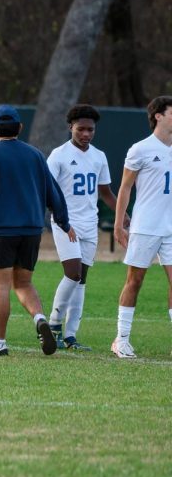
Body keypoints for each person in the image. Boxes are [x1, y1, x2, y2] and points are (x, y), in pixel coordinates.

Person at [0, 105, 71, 356]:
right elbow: (53, 191)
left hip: (1, 229)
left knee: (1, 287)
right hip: (31, 229)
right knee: (24, 282)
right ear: (20, 127)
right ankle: (40, 317)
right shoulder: (36, 156)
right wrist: (64, 221)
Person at [45, 105, 119, 350]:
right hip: (66, 223)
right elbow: (47, 189)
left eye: (90, 129)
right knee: (73, 273)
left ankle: (71, 336)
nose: (86, 134)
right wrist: (59, 217)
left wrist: (123, 215)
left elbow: (105, 192)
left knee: (82, 279)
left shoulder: (99, 156)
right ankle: (54, 324)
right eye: (81, 129)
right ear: (71, 128)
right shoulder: (59, 155)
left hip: (90, 224)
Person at [110, 95, 172, 359]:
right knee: (134, 281)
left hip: (171, 228)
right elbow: (125, 188)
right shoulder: (140, 149)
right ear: (158, 115)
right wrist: (119, 223)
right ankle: (121, 340)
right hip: (145, 226)